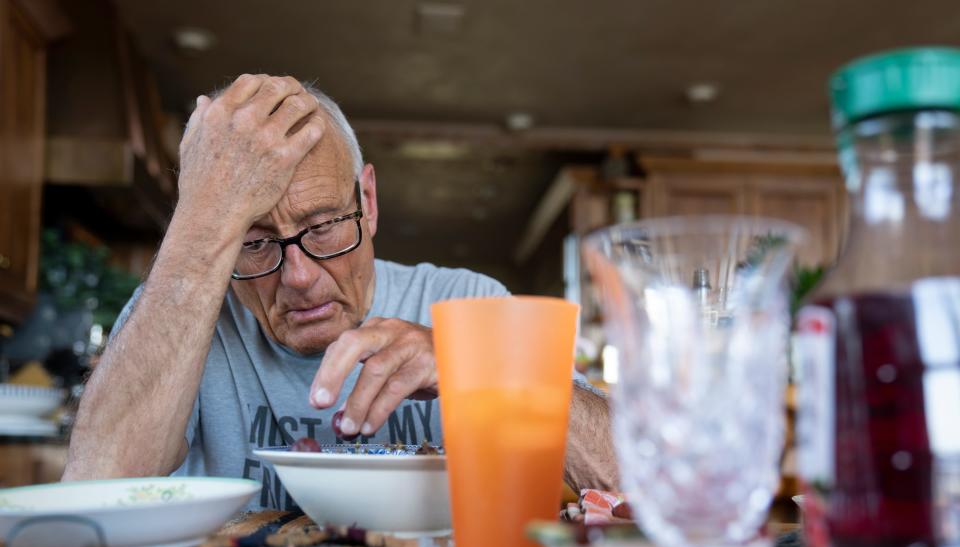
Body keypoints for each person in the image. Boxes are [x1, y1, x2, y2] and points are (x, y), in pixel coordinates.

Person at [63, 74, 616, 509]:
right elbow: (93, 492)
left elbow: (623, 474)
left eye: (324, 225)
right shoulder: (177, 313)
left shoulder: (468, 304)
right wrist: (202, 220)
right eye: (253, 242)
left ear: (368, 202)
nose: (299, 277)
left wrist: (473, 361)